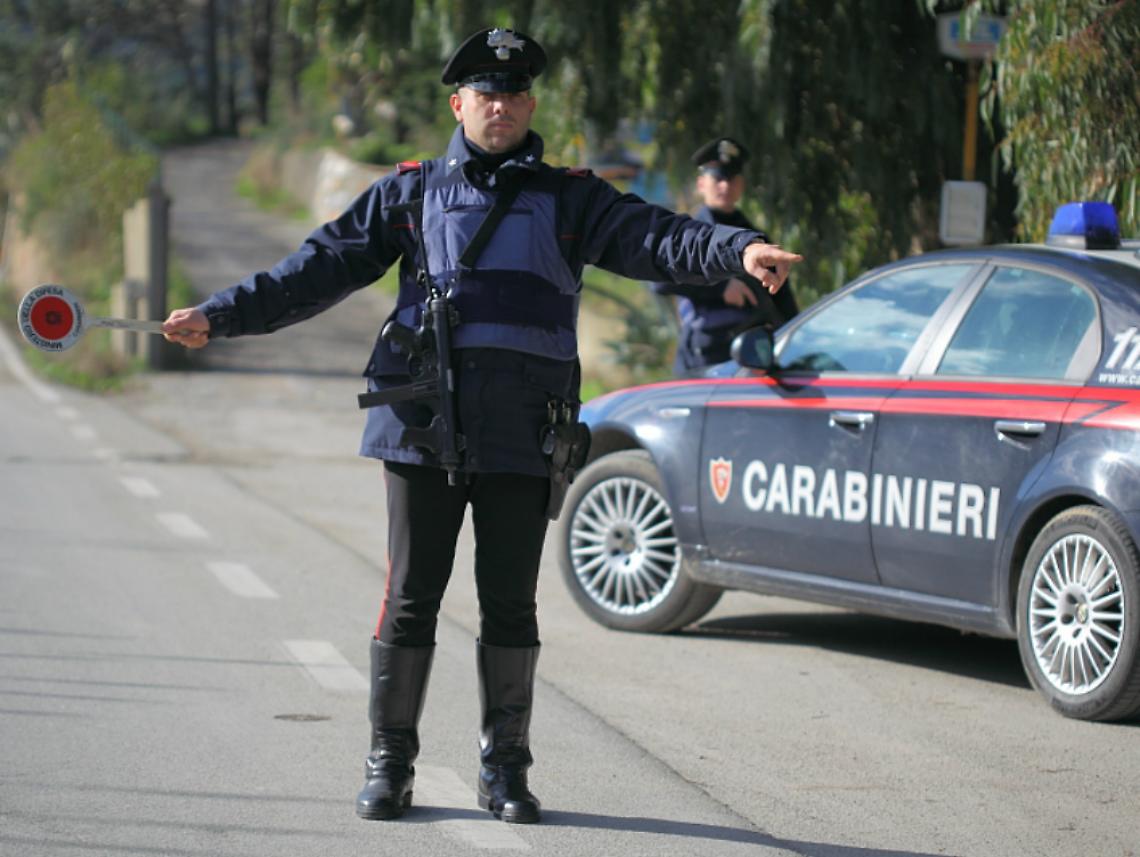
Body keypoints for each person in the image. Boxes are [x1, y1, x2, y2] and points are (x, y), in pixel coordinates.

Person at [162, 27, 802, 826]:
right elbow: (318, 267)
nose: (499, 105)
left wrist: (736, 249)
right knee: (409, 600)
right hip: (423, 426)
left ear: (531, 104)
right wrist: (220, 316)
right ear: (458, 103)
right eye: (483, 93)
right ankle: (389, 762)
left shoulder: (573, 198)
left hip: (523, 430)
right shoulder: (411, 192)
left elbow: (657, 236)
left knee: (510, 605)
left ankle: (506, 770)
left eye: (513, 93)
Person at [652, 136, 799, 374]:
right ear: (701, 184)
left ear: (741, 185)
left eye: (731, 180)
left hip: (752, 356)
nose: (725, 187)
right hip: (704, 358)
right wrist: (720, 289)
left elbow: (783, 297)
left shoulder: (755, 237)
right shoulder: (689, 232)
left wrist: (797, 339)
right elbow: (659, 280)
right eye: (717, 179)